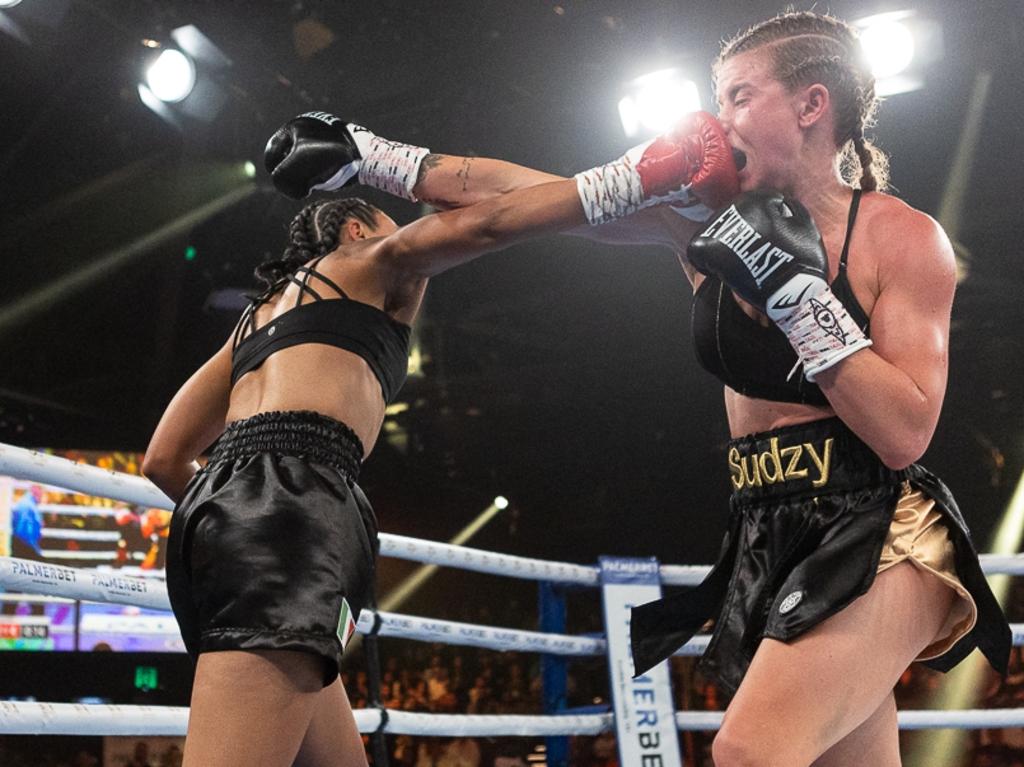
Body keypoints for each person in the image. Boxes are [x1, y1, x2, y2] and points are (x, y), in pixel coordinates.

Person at [268, 10, 1011, 765]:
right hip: (769, 527)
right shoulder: (705, 223)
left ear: (812, 105)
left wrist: (796, 294)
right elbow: (532, 194)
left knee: (752, 749)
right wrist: (375, 156)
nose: (719, 120)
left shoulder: (902, 236)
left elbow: (905, 431)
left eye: (739, 97)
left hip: (884, 532)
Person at [142, 115, 735, 767]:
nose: (423, 252)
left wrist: (236, 514)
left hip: (224, 515)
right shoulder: (369, 258)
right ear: (358, 228)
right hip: (291, 512)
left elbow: (164, 458)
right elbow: (486, 220)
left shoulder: (252, 323)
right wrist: (637, 176)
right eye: (403, 230)